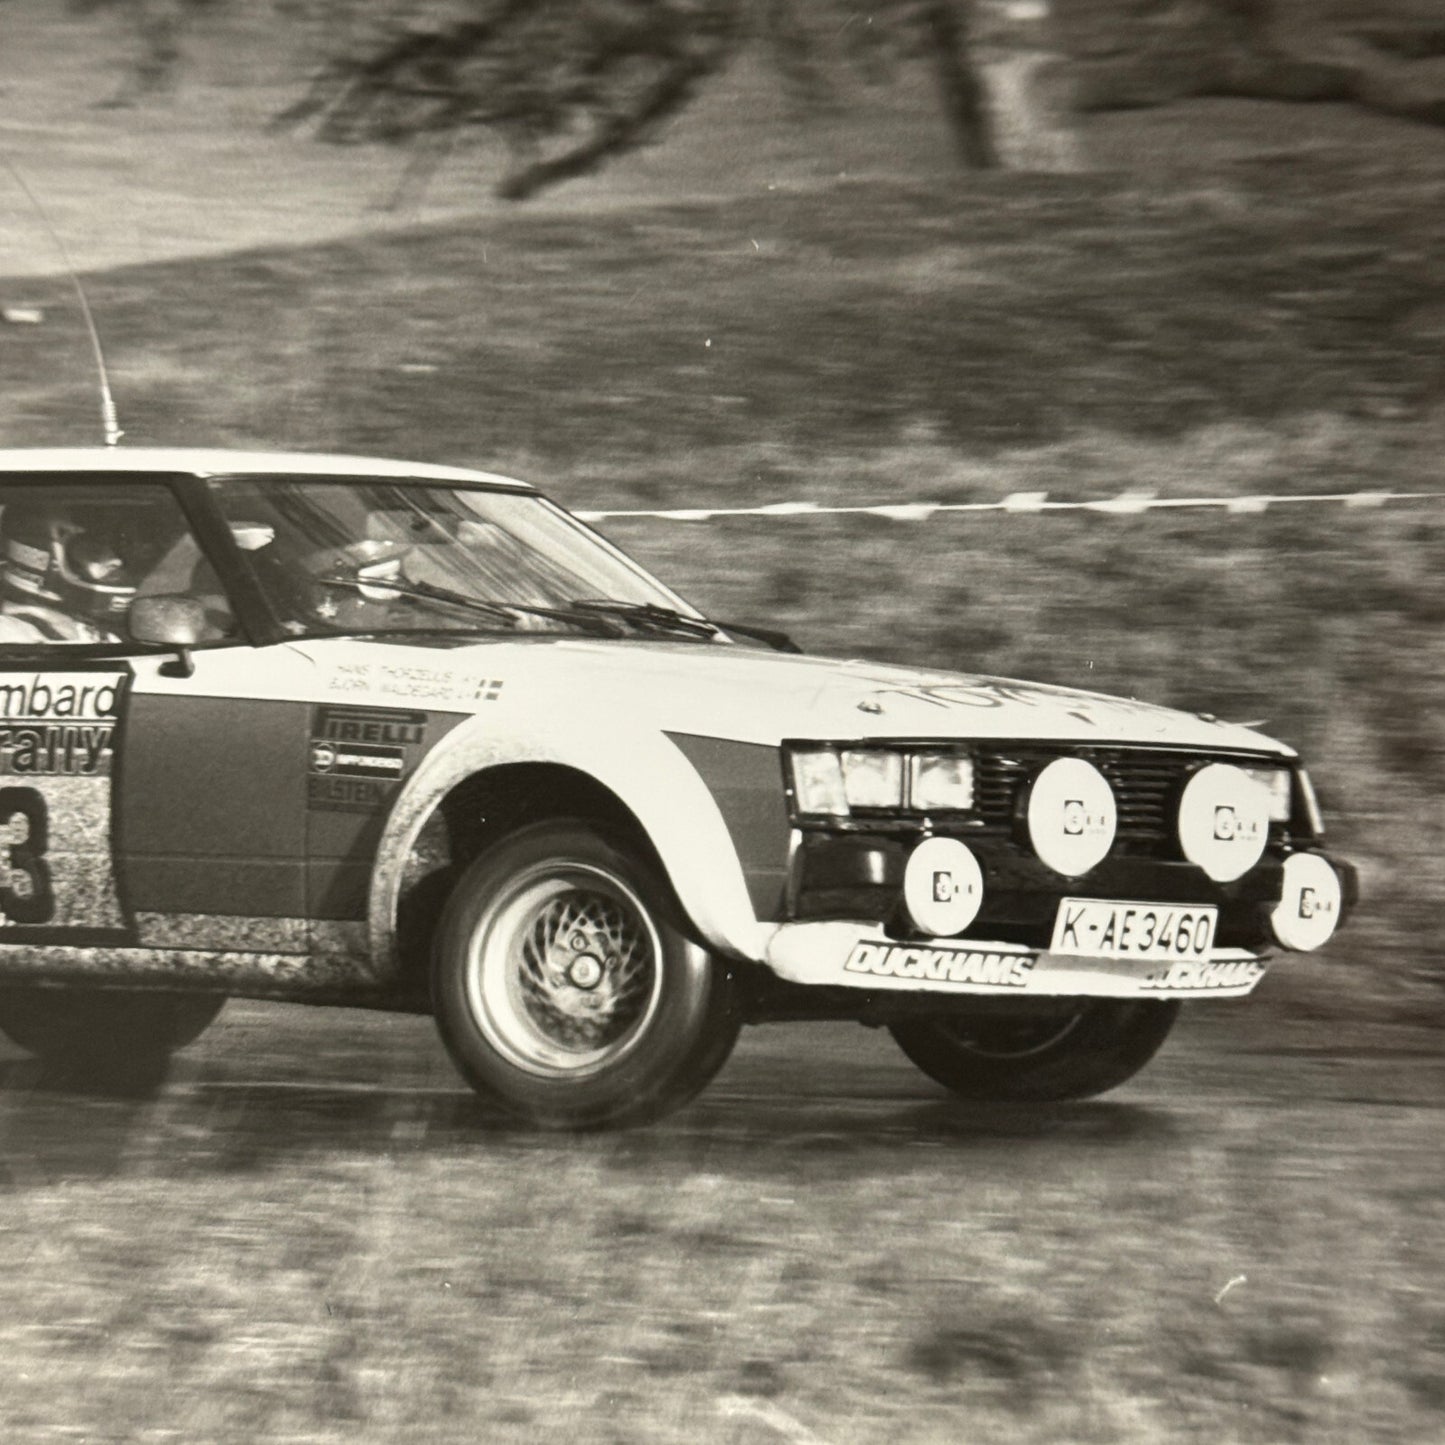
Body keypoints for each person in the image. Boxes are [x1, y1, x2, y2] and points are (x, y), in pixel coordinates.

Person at [0, 505, 135, 644]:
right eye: (93, 551)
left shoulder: (105, 630)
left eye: (116, 549)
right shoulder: (9, 633)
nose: (117, 561)